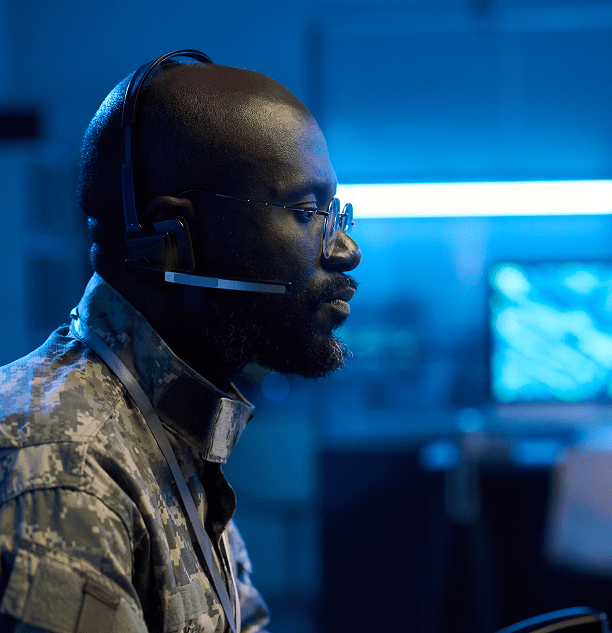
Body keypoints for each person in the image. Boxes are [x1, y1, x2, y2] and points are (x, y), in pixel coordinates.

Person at [0, 50, 360, 632]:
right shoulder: (71, 466)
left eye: (337, 214)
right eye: (305, 211)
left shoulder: (171, 427)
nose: (344, 250)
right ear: (176, 240)